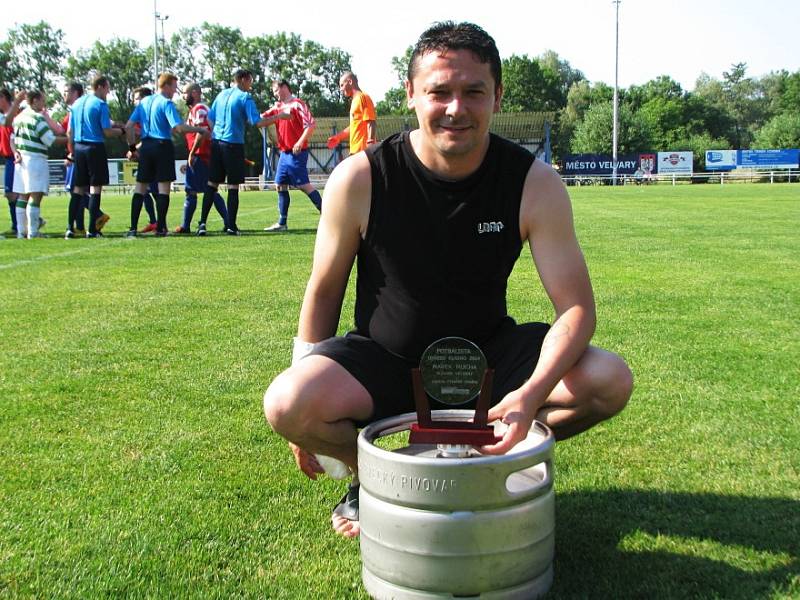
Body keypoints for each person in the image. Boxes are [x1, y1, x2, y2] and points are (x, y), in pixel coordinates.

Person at [263, 21, 633, 539]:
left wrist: (529, 395)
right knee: (287, 402)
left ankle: (478, 464)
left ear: (497, 97)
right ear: (411, 94)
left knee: (607, 380)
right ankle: (378, 481)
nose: (456, 108)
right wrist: (302, 417)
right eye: (439, 91)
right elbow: (325, 290)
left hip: (489, 361)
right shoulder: (362, 176)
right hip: (385, 361)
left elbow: (576, 309)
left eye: (473, 92)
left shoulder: (534, 183)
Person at [196, 69, 288, 236]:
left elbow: (210, 119)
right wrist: (279, 116)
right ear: (244, 80)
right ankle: (231, 226)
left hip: (216, 143)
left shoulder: (221, 95)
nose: (251, 85)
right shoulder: (245, 97)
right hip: (233, 144)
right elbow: (258, 122)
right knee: (233, 185)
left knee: (212, 184)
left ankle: (202, 224)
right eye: (250, 81)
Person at [124, 73, 208, 237]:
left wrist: (133, 148)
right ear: (167, 85)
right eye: (174, 87)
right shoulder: (166, 103)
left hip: (146, 146)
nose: (175, 92)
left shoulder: (144, 103)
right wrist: (199, 129)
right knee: (164, 188)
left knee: (140, 187)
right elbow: (178, 127)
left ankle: (133, 228)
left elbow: (128, 126)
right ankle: (161, 227)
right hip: (162, 146)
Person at [67, 75, 125, 237]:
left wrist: (71, 151)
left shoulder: (77, 104)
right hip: (94, 147)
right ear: (100, 87)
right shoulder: (100, 104)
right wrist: (122, 131)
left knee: (78, 189)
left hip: (79, 148)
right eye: (107, 87)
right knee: (95, 189)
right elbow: (106, 131)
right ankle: (92, 229)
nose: (108, 91)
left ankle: (70, 228)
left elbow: (70, 132)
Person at [262, 79, 323, 232]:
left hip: (297, 152)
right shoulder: (278, 107)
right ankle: (282, 223)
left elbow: (310, 124)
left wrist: (300, 142)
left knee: (303, 185)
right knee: (280, 185)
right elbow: (262, 117)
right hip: (284, 153)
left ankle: (327, 215)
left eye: (276, 90)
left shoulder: (298, 104)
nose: (275, 94)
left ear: (284, 87)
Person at [9, 90, 67, 238]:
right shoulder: (37, 118)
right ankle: (33, 232)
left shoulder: (18, 117)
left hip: (21, 160)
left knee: (22, 196)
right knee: (36, 195)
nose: (44, 104)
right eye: (42, 100)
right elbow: (50, 140)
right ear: (35, 101)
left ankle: (21, 232)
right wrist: (69, 140)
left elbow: (13, 139)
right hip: (35, 159)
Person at [175, 82, 228, 234]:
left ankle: (186, 226)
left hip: (203, 155)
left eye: (185, 93)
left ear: (194, 93)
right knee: (208, 189)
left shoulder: (199, 109)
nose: (183, 96)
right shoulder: (196, 110)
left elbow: (203, 131)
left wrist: (192, 153)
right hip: (202, 154)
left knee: (196, 190)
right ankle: (227, 221)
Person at [128, 86, 160, 235]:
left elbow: (150, 135)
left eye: (136, 98)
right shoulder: (141, 113)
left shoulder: (148, 111)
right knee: (146, 190)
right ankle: (154, 222)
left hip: (153, 154)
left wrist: (134, 148)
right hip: (147, 154)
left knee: (153, 190)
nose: (135, 102)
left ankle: (159, 223)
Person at [325, 72, 377, 155]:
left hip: (363, 151)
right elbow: (354, 126)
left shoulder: (363, 97)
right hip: (355, 151)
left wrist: (370, 144)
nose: (340, 89)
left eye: (342, 85)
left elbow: (371, 121)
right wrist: (338, 137)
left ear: (350, 82)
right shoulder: (354, 100)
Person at [1, 89, 26, 234]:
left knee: (15, 193)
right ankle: (17, 224)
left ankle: (20, 224)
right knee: (11, 194)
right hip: (8, 157)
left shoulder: (16, 113)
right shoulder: (4, 115)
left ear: (3, 97)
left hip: (16, 157)